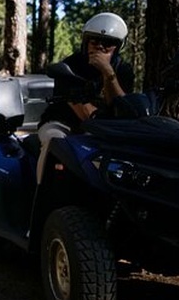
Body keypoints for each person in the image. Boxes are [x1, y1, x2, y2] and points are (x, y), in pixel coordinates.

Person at [36, 12, 135, 182]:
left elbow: (123, 106)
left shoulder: (123, 70)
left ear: (118, 47)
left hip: (107, 129)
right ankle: (41, 188)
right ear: (85, 42)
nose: (100, 47)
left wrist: (108, 74)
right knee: (55, 142)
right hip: (63, 123)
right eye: (94, 41)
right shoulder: (70, 66)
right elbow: (82, 110)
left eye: (108, 44)